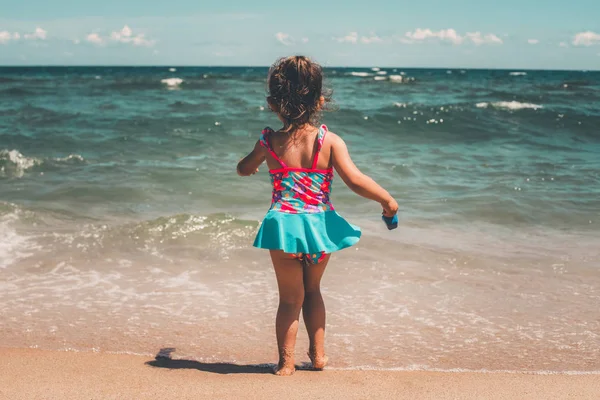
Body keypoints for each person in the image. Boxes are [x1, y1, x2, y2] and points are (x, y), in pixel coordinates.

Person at [237, 55, 398, 376]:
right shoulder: (329, 141)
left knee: (288, 300)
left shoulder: (268, 141)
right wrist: (388, 201)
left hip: (284, 228)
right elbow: (355, 180)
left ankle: (285, 363)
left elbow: (242, 169)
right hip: (318, 228)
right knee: (313, 292)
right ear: (320, 100)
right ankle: (318, 357)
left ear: (272, 103)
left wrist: (255, 162)